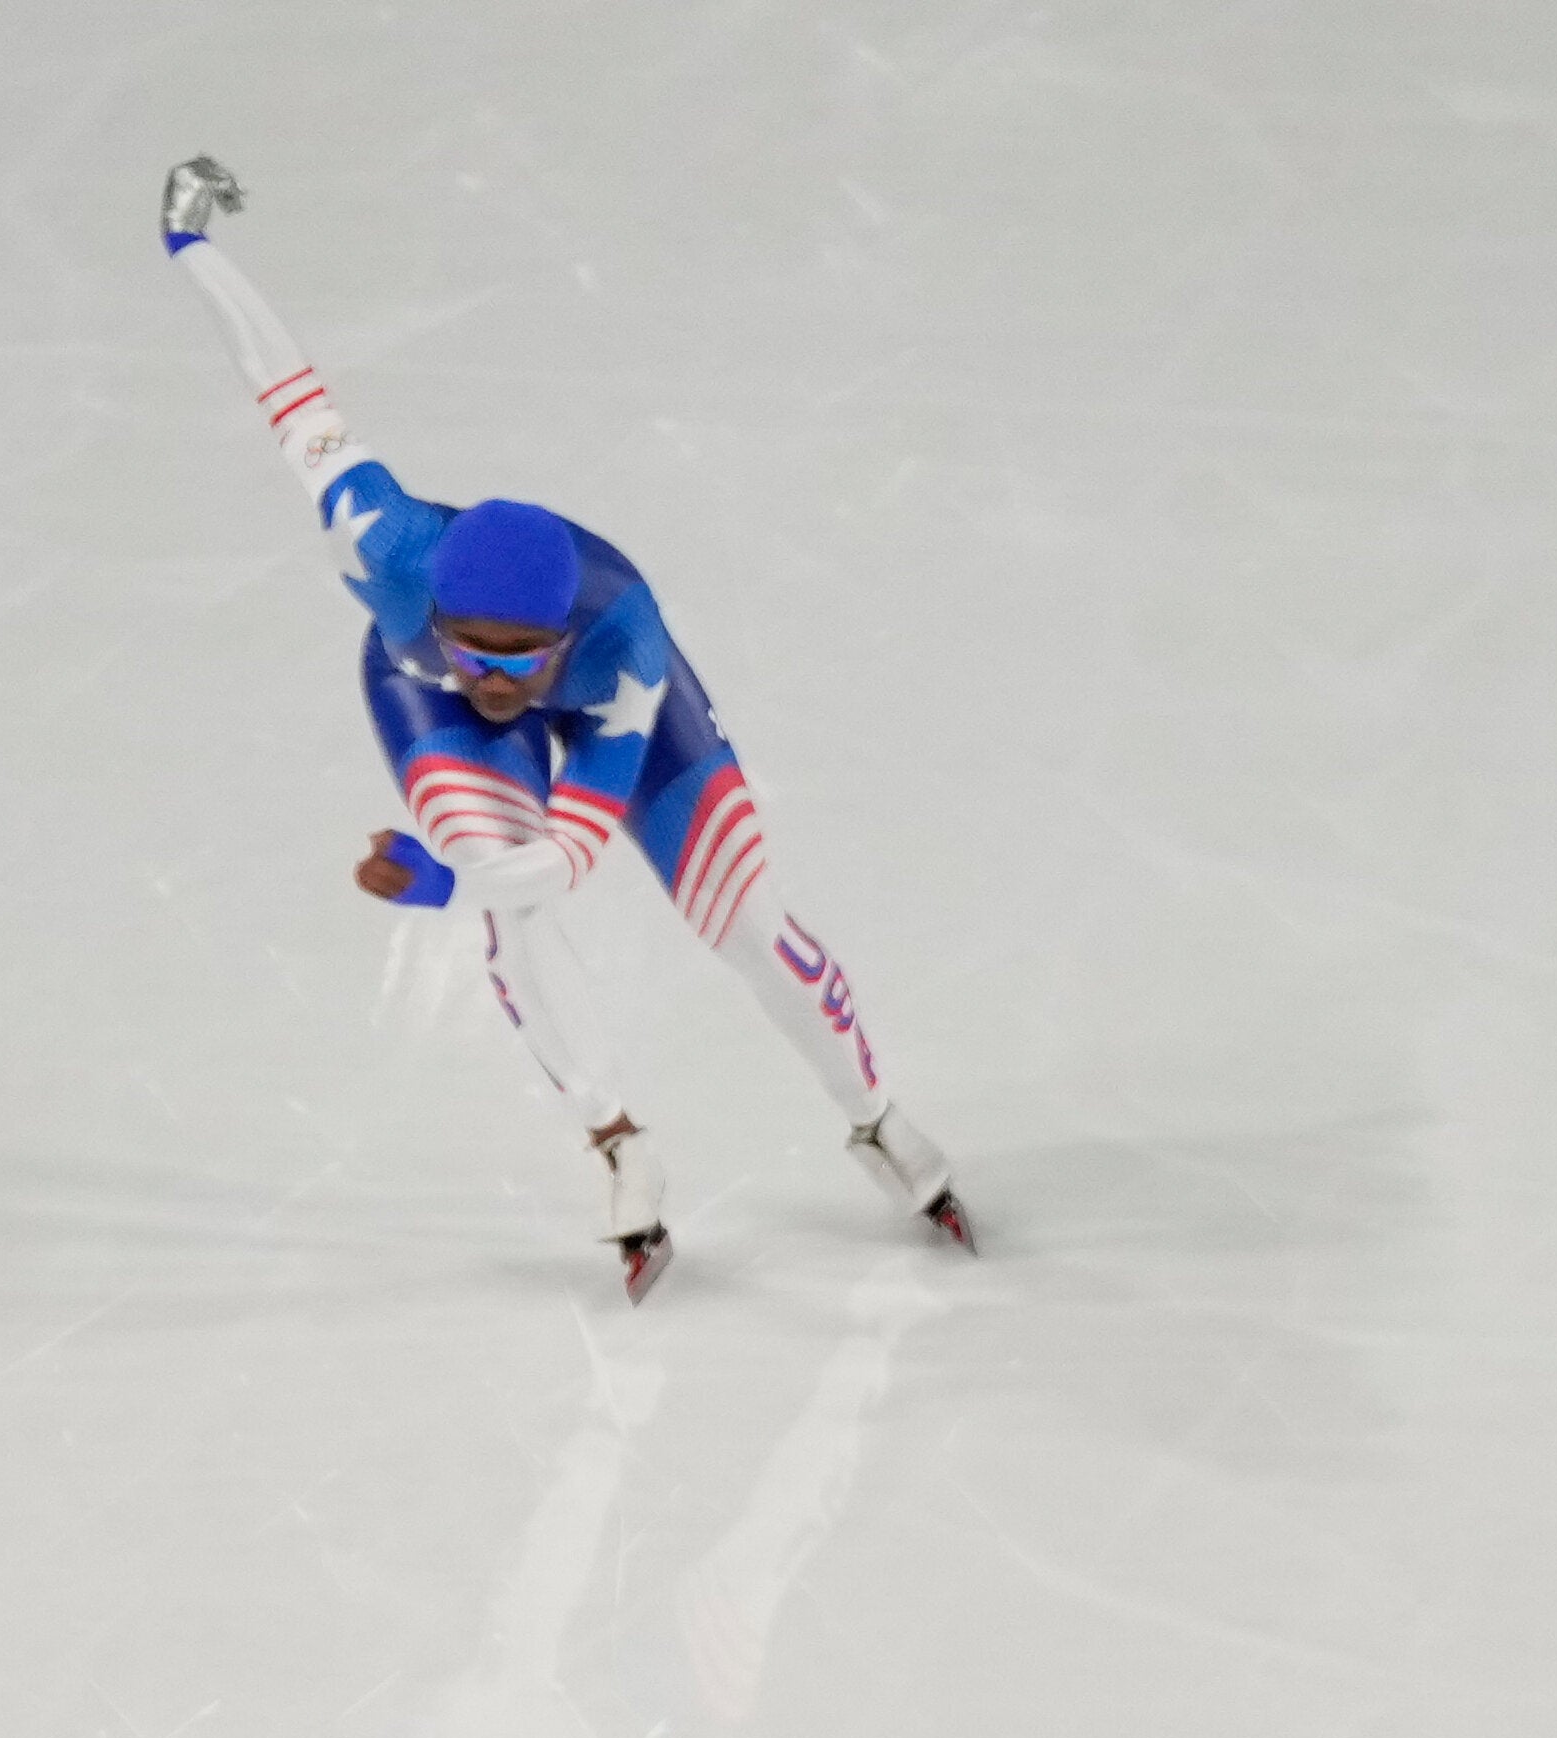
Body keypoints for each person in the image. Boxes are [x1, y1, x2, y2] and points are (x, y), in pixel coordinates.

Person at [157, 155, 969, 1295]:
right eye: (473, 647)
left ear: (557, 636)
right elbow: (291, 397)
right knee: (508, 897)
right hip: (412, 685)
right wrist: (193, 249)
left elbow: (568, 856)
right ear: (430, 606)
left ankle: (877, 1118)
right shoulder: (382, 545)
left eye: (515, 656)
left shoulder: (623, 644)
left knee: (745, 923)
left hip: (610, 714)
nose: (494, 679)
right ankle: (618, 1139)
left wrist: (438, 886)